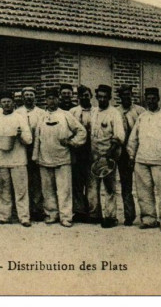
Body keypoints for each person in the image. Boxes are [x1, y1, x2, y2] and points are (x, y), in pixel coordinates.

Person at [127, 88, 161, 232]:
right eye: (148, 98)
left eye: (153, 98)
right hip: (141, 159)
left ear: (158, 99)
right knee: (143, 192)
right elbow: (133, 138)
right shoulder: (142, 117)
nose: (151, 101)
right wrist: (131, 155)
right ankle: (149, 219)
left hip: (160, 160)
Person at [33, 88, 87, 227]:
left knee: (64, 189)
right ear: (45, 100)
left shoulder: (66, 115)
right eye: (49, 98)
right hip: (45, 158)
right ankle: (51, 214)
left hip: (63, 158)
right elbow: (37, 138)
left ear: (58, 99)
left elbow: (81, 131)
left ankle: (66, 216)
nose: (52, 101)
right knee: (48, 189)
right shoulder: (41, 116)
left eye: (54, 98)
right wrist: (36, 156)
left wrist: (72, 142)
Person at [0, 91, 32, 227]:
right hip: (0, 159)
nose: (6, 104)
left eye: (9, 101)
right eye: (4, 102)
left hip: (18, 158)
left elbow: (29, 139)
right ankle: (4, 216)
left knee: (21, 190)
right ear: (0, 104)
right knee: (2, 189)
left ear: (13, 102)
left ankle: (24, 217)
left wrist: (20, 136)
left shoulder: (20, 117)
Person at [89, 85, 126, 228]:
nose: (102, 99)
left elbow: (119, 137)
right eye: (100, 97)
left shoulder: (114, 113)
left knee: (110, 188)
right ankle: (95, 215)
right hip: (94, 156)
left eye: (105, 97)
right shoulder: (94, 112)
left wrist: (108, 156)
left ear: (110, 98)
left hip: (108, 156)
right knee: (93, 187)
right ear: (97, 97)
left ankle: (111, 217)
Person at [16, 86, 46, 222]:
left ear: (35, 97)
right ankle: (24, 208)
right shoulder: (18, 112)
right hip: (21, 150)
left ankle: (37, 208)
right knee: (23, 180)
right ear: (22, 98)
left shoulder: (41, 112)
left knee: (37, 180)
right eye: (26, 95)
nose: (29, 97)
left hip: (37, 149)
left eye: (31, 95)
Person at [116, 85, 143, 226]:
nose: (127, 97)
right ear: (120, 96)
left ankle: (147, 214)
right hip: (123, 154)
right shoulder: (116, 112)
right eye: (124, 94)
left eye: (129, 94)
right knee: (126, 185)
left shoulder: (140, 111)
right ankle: (129, 214)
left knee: (142, 185)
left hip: (139, 152)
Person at [68, 85, 93, 223]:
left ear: (91, 96)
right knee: (77, 183)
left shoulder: (96, 112)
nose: (84, 97)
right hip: (77, 152)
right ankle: (79, 211)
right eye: (82, 95)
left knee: (91, 183)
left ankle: (91, 210)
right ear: (78, 97)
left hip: (92, 151)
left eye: (87, 95)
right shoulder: (72, 112)